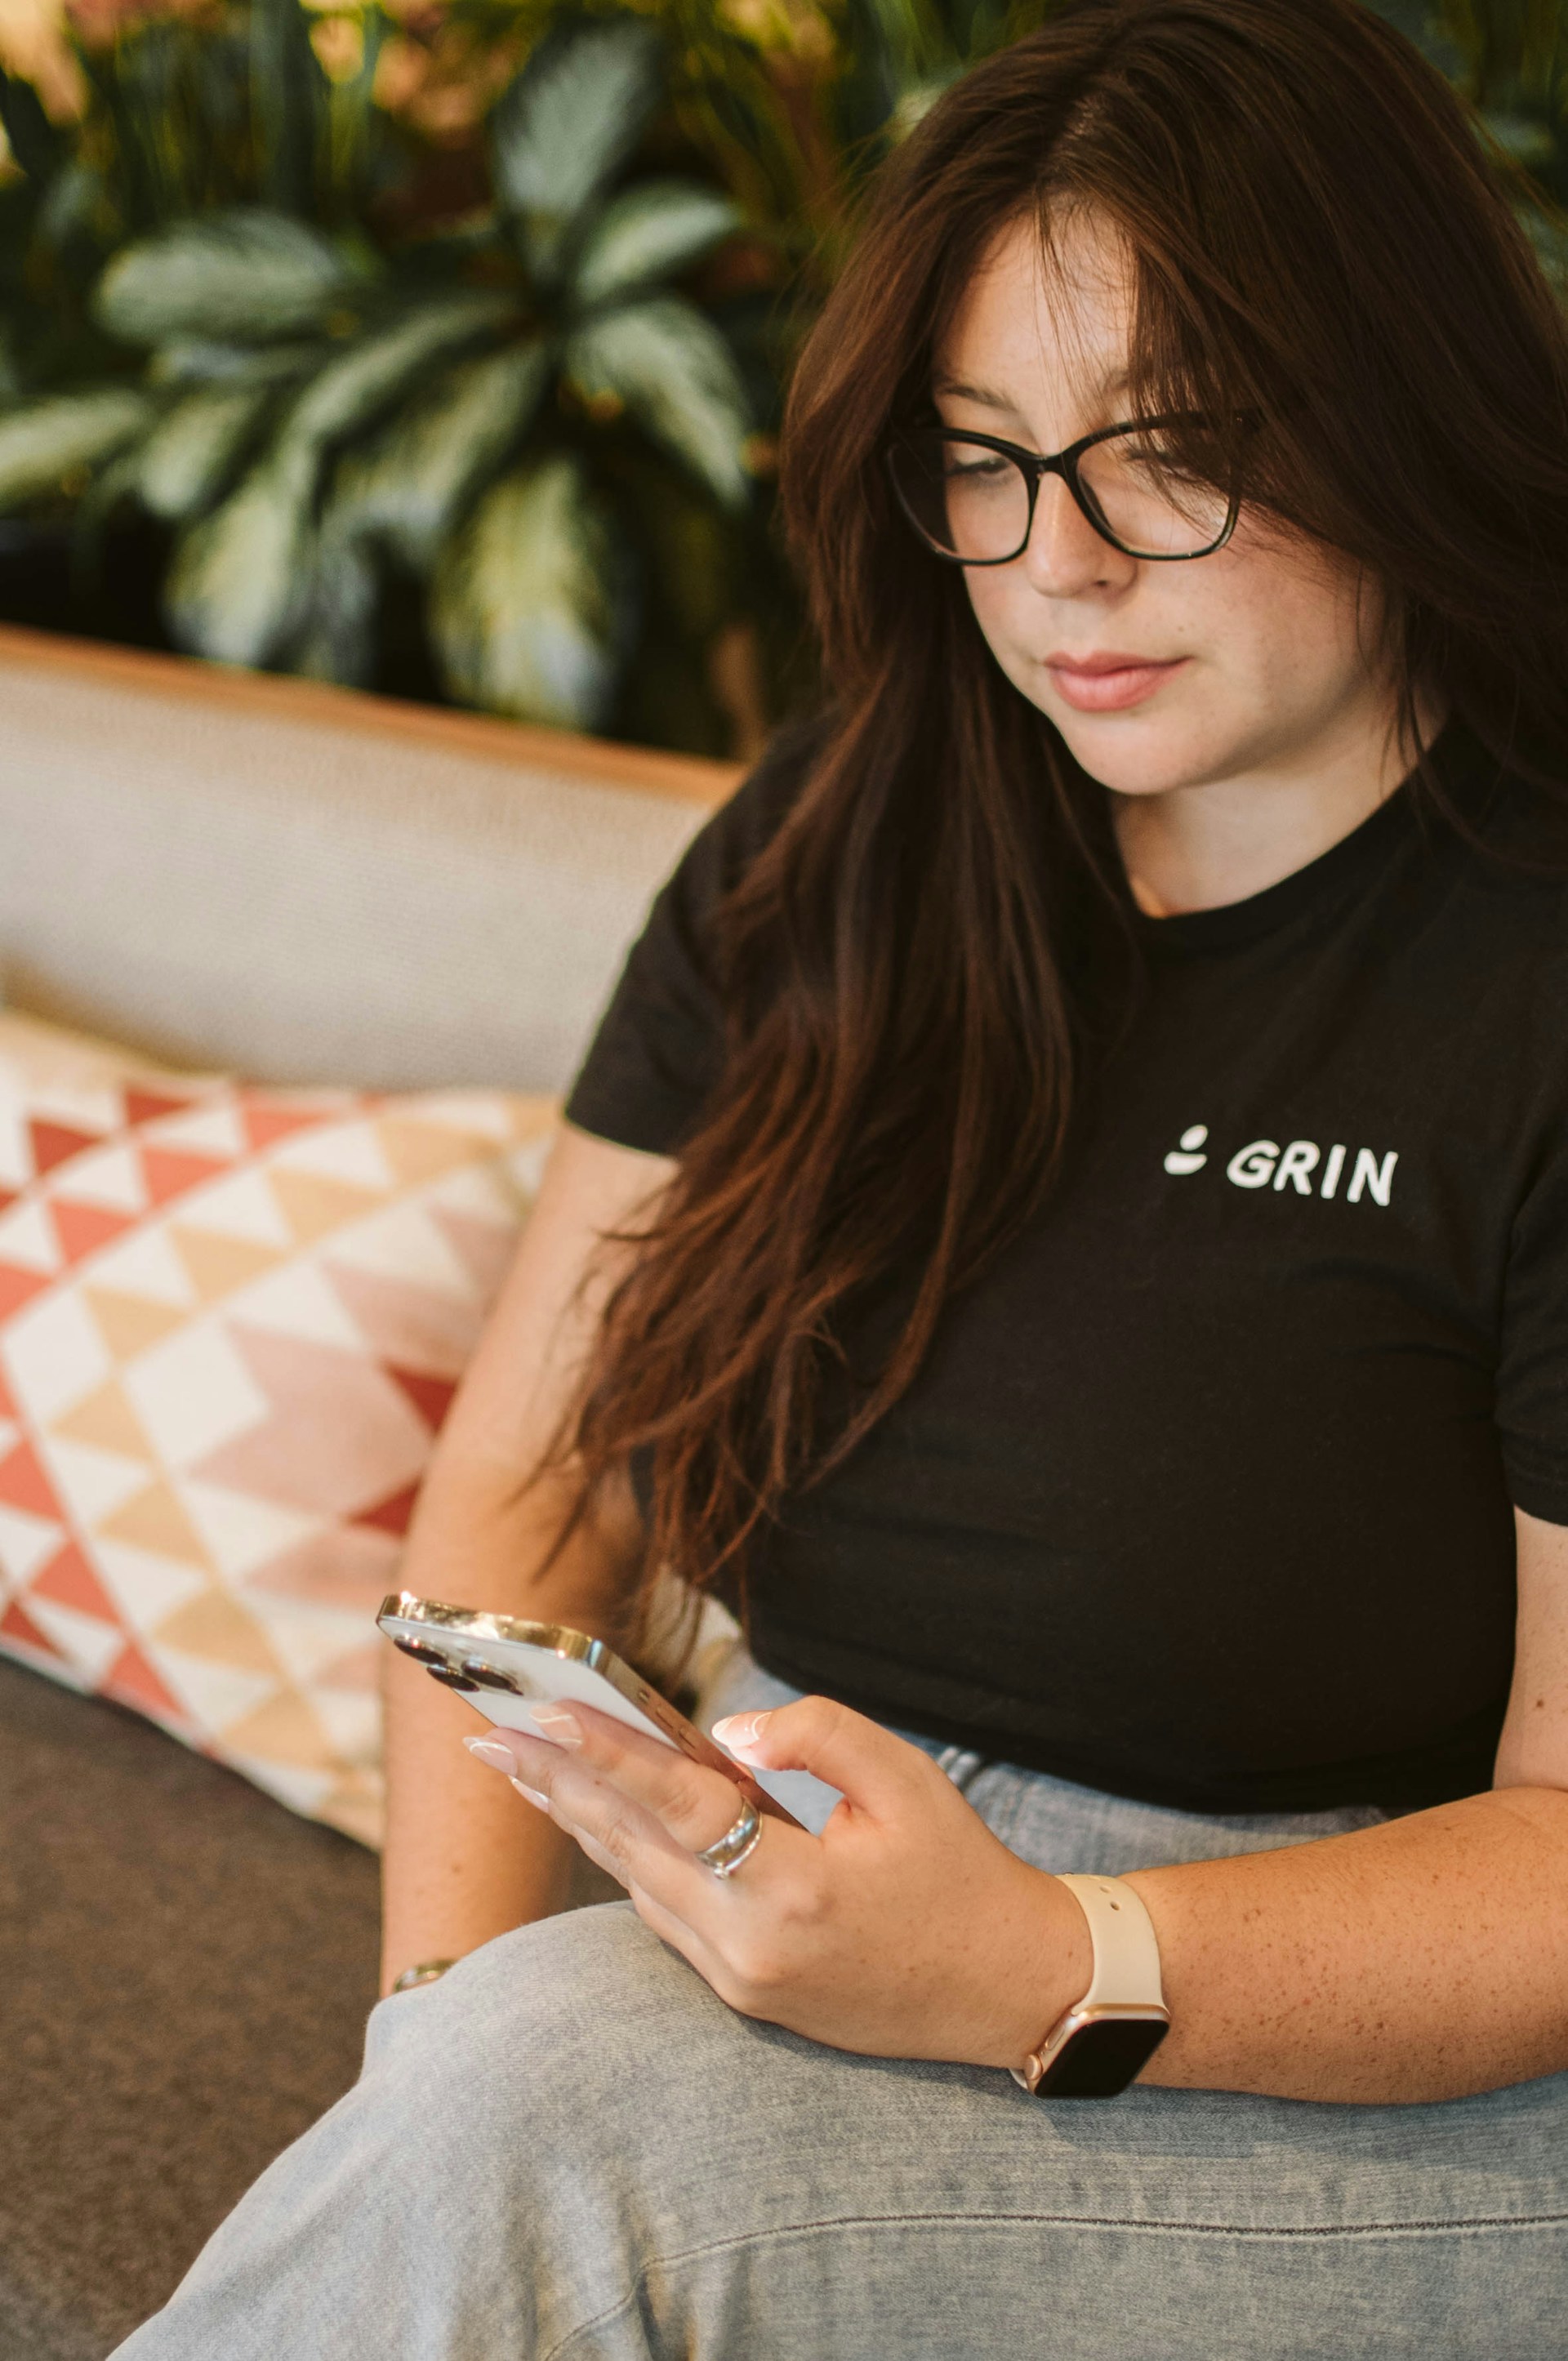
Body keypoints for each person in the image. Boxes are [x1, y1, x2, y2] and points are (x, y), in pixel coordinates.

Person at [114, 2, 1568, 2353]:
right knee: (522, 2118)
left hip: (1396, 2052)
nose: (1058, 567)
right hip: (750, 1923)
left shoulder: (1531, 975)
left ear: (1405, 402)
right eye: (984, 463)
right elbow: (532, 1499)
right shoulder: (846, 843)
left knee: (557, 2140)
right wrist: (444, 2045)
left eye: (1168, 458)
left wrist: (1043, 1960)